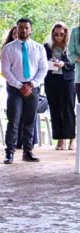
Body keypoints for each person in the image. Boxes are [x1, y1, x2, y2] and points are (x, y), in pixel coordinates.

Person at [1, 18, 48, 163]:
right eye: (21, 27)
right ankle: (10, 152)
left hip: (32, 88)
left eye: (27, 27)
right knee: (13, 120)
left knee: (29, 120)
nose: (24, 30)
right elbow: (5, 70)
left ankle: (28, 152)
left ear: (31, 29)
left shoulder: (39, 48)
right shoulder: (8, 48)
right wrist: (19, 85)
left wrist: (32, 84)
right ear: (17, 29)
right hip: (15, 88)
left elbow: (43, 69)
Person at [44, 22, 75, 150]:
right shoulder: (46, 47)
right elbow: (41, 62)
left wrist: (63, 64)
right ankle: (60, 139)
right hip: (51, 80)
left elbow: (74, 64)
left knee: (68, 109)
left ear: (66, 35)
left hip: (67, 80)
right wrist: (49, 63)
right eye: (56, 34)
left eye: (61, 35)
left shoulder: (70, 47)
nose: (58, 37)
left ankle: (72, 139)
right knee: (55, 109)